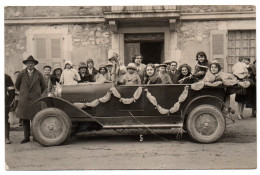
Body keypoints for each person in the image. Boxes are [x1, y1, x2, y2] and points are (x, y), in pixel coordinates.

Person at [15, 55, 46, 144]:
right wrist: (24, 92)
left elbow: (43, 86)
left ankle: (36, 136)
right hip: (24, 99)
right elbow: (17, 85)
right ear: (26, 64)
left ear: (34, 64)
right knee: (25, 119)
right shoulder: (21, 73)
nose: (30, 64)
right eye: (28, 63)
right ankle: (26, 137)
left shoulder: (38, 74)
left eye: (32, 63)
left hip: (35, 99)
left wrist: (36, 93)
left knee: (35, 118)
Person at [5, 74, 15, 144]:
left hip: (4, 103)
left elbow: (12, 92)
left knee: (4, 119)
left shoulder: (6, 77)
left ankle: (6, 137)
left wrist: (9, 103)